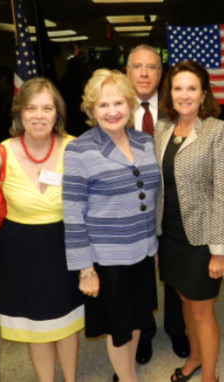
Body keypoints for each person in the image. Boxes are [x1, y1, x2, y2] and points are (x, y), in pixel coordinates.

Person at [63, 69, 161, 382]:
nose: (112, 111)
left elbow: (152, 196)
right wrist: (86, 270)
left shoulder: (145, 141)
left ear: (130, 104)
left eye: (118, 102)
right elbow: (73, 212)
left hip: (142, 253)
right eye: (103, 105)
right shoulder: (80, 149)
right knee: (119, 330)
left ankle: (126, 373)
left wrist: (154, 246)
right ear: (91, 110)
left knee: (134, 323)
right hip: (107, 261)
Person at [0, 77, 84, 382]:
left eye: (47, 108)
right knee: (36, 327)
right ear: (19, 113)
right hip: (19, 254)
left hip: (65, 248)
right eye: (31, 108)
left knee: (67, 323)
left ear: (58, 114)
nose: (39, 115)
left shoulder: (76, 148)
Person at [154, 60, 224, 382]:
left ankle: (210, 377)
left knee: (202, 310)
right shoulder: (163, 129)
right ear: (170, 93)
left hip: (204, 238)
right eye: (178, 88)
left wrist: (219, 250)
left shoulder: (219, 131)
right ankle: (195, 357)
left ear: (204, 94)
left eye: (192, 88)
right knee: (185, 301)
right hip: (171, 234)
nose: (184, 95)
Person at [126, 44, 190, 364]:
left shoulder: (175, 109)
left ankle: (176, 329)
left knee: (174, 268)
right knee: (139, 273)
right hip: (131, 209)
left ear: (160, 74)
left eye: (151, 67)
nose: (144, 73)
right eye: (137, 66)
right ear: (127, 72)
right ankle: (144, 332)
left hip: (171, 203)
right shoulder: (115, 109)